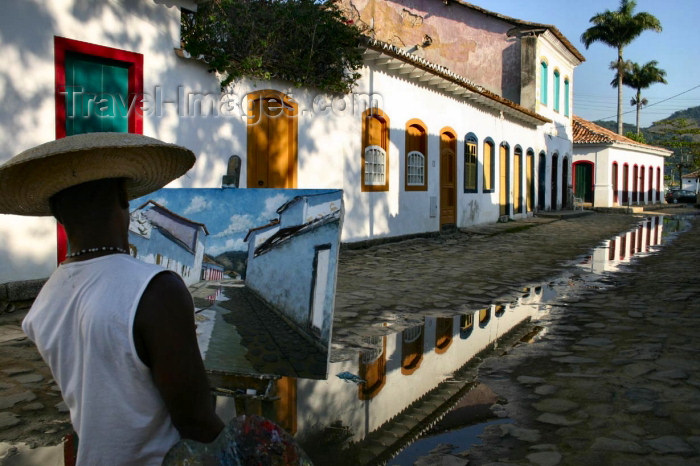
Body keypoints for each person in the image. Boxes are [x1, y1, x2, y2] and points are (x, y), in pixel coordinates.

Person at [0, 133, 224, 465]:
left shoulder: (45, 300)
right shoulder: (157, 290)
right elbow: (197, 421)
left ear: (58, 217)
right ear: (124, 200)